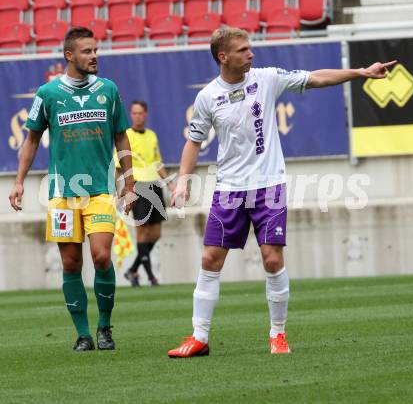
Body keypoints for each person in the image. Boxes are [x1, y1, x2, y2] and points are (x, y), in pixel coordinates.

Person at [167, 26, 396, 357]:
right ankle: (199, 337)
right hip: (229, 189)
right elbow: (194, 140)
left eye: (250, 48)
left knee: (272, 260)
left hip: (268, 186)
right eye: (244, 49)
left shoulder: (267, 78)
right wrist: (184, 180)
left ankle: (278, 334)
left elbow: (315, 78)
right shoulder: (207, 97)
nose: (251, 53)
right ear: (224, 57)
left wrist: (361, 72)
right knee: (209, 259)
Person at [9, 27, 135, 352]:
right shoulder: (48, 94)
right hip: (62, 194)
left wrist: (130, 181)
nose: (94, 56)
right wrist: (19, 181)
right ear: (69, 55)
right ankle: (83, 334)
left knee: (102, 255)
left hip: (101, 190)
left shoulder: (108, 89)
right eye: (87, 51)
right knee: (70, 264)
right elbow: (32, 140)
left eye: (95, 50)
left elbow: (121, 136)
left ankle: (105, 326)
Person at [116, 100, 174, 287]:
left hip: (154, 186)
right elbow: (118, 167)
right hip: (138, 185)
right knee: (142, 232)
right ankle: (150, 276)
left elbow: (158, 163)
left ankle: (132, 270)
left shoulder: (152, 135)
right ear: (130, 115)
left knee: (155, 233)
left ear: (146, 114)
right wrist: (121, 189)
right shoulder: (125, 136)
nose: (137, 116)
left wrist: (171, 185)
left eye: (140, 113)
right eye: (134, 113)